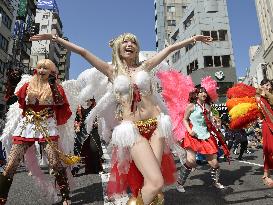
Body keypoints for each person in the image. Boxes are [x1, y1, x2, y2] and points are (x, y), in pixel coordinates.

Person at [30, 32, 212, 204]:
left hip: (156, 126)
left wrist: (193, 39)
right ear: (118, 48)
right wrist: (54, 38)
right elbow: (82, 51)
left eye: (133, 42)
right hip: (132, 131)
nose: (129, 44)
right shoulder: (111, 71)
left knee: (152, 181)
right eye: (125, 41)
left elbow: (169, 49)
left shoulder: (145, 66)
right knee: (155, 182)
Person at [0, 59, 73, 205]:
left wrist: (52, 85)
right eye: (39, 67)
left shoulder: (56, 87)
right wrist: (12, 83)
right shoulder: (27, 85)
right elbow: (15, 102)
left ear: (52, 72)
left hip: (47, 124)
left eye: (45, 68)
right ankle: (1, 198)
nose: (41, 71)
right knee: (11, 163)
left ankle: (65, 195)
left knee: (54, 161)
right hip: (27, 124)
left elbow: (60, 103)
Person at [176, 86, 229, 193]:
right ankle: (179, 183)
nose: (204, 94)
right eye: (201, 92)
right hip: (193, 136)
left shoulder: (209, 107)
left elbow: (211, 122)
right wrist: (189, 131)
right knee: (191, 161)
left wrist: (215, 122)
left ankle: (215, 182)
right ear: (196, 95)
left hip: (206, 136)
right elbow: (185, 120)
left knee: (215, 164)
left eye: (205, 92)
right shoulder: (191, 106)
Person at [72, 98, 103, 175]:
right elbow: (77, 119)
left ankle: (96, 168)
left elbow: (100, 117)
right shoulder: (80, 107)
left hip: (93, 130)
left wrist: (97, 123)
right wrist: (77, 125)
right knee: (83, 150)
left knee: (94, 148)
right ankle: (80, 167)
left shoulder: (95, 106)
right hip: (83, 131)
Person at [256, 79, 273, 188]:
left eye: (270, 85)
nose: (269, 87)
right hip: (268, 126)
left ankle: (266, 173)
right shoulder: (258, 97)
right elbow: (261, 114)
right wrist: (259, 119)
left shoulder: (269, 97)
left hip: (270, 124)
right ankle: (266, 174)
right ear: (261, 86)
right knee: (269, 149)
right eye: (266, 85)